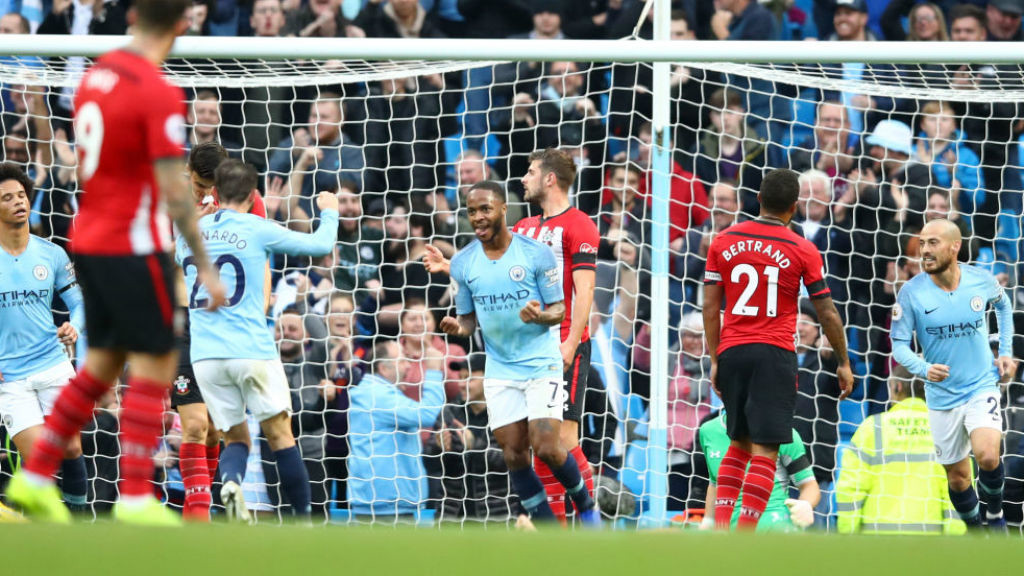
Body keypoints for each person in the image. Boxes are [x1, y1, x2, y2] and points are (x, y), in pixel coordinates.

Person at [6, 0, 227, 526]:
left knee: (103, 363)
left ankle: (34, 478)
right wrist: (203, 262)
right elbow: (175, 184)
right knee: (155, 359)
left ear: (131, 18)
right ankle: (132, 498)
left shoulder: (94, 77)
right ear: (182, 25)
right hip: (133, 242)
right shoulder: (156, 89)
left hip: (90, 238)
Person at [176, 160, 338, 523]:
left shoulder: (186, 233)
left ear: (213, 193)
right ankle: (304, 521)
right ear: (253, 196)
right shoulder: (259, 227)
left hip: (205, 357)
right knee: (281, 436)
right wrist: (330, 212)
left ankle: (232, 481)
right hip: (250, 349)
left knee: (235, 439)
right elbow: (321, 244)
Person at [439, 181, 599, 524]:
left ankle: (586, 508)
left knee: (547, 446)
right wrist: (459, 327)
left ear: (502, 210)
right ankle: (547, 532)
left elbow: (558, 309)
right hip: (500, 369)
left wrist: (540, 316)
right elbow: (468, 319)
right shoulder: (464, 263)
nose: (478, 218)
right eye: (471, 211)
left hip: (541, 364)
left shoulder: (534, 253)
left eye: (485, 209)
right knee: (514, 454)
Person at [702, 168, 853, 531]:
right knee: (766, 450)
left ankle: (723, 532)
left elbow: (710, 307)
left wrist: (714, 357)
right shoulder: (802, 248)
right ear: (795, 206)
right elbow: (826, 311)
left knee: (738, 443)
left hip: (734, 350)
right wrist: (844, 361)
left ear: (757, 199)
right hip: (774, 353)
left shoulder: (723, 240)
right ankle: (744, 537)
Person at [890, 218, 1017, 531]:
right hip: (942, 396)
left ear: (954, 246)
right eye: (922, 244)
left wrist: (1005, 350)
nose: (925, 251)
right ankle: (976, 533)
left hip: (981, 384)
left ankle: (995, 516)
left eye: (933, 243)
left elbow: (1003, 306)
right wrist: (923, 368)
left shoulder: (981, 280)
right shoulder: (911, 293)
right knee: (958, 478)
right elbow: (898, 345)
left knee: (988, 456)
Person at [505, 148, 599, 521]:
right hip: (528, 350)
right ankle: (554, 533)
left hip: (562, 345)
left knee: (562, 441)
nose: (523, 179)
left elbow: (585, 290)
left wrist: (570, 345)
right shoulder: (525, 228)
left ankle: (589, 520)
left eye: (530, 172)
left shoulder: (579, 224)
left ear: (550, 179)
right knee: (539, 443)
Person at [0, 163, 88, 513]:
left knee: (71, 448)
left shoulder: (51, 254)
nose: (18, 202)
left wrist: (74, 326)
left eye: (20, 195)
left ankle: (79, 526)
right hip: (10, 377)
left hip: (53, 364)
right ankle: (47, 529)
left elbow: (78, 303)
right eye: (7, 198)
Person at [836, 365, 965, 535]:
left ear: (897, 387)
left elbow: (850, 489)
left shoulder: (873, 427)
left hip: (875, 544)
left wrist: (848, 537)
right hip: (931, 546)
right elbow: (959, 492)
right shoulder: (948, 431)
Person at [347, 340, 445, 520]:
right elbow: (427, 414)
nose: (409, 366)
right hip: (385, 505)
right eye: (402, 361)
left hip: (384, 502)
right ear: (384, 369)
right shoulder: (377, 396)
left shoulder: (374, 393)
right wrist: (433, 370)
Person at [695, 411, 820, 532]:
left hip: (775, 527)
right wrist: (708, 520)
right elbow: (714, 482)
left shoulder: (783, 433)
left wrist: (806, 504)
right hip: (728, 531)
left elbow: (809, 485)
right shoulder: (708, 431)